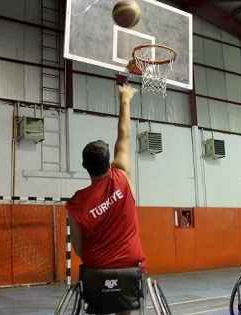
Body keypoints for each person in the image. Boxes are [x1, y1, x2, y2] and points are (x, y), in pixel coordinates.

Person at [67, 83, 145, 315]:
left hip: (95, 275)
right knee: (125, 307)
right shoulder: (122, 176)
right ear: (109, 162)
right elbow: (125, 134)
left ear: (84, 167)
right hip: (129, 271)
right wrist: (125, 99)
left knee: (99, 306)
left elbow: (79, 248)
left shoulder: (76, 204)